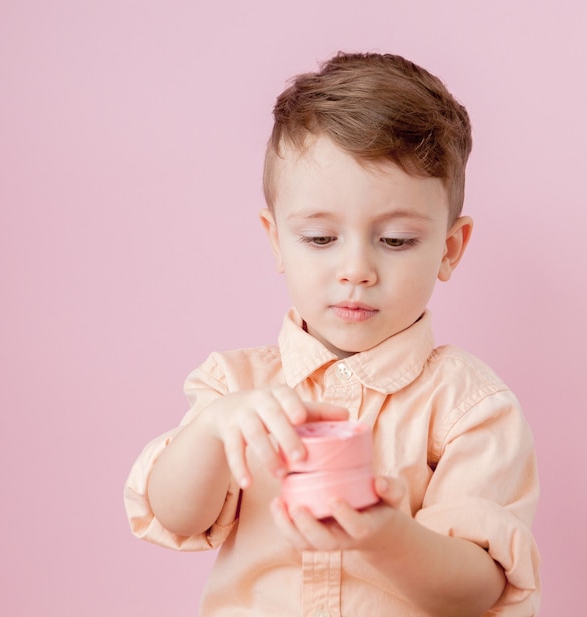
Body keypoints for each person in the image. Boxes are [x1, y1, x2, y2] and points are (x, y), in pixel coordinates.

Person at [124, 52, 540, 616]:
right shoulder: (235, 386)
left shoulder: (469, 407)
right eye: (320, 239)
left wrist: (387, 535)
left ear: (449, 248)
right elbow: (175, 514)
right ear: (276, 241)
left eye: (394, 240)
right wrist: (214, 430)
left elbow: (480, 588)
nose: (356, 270)